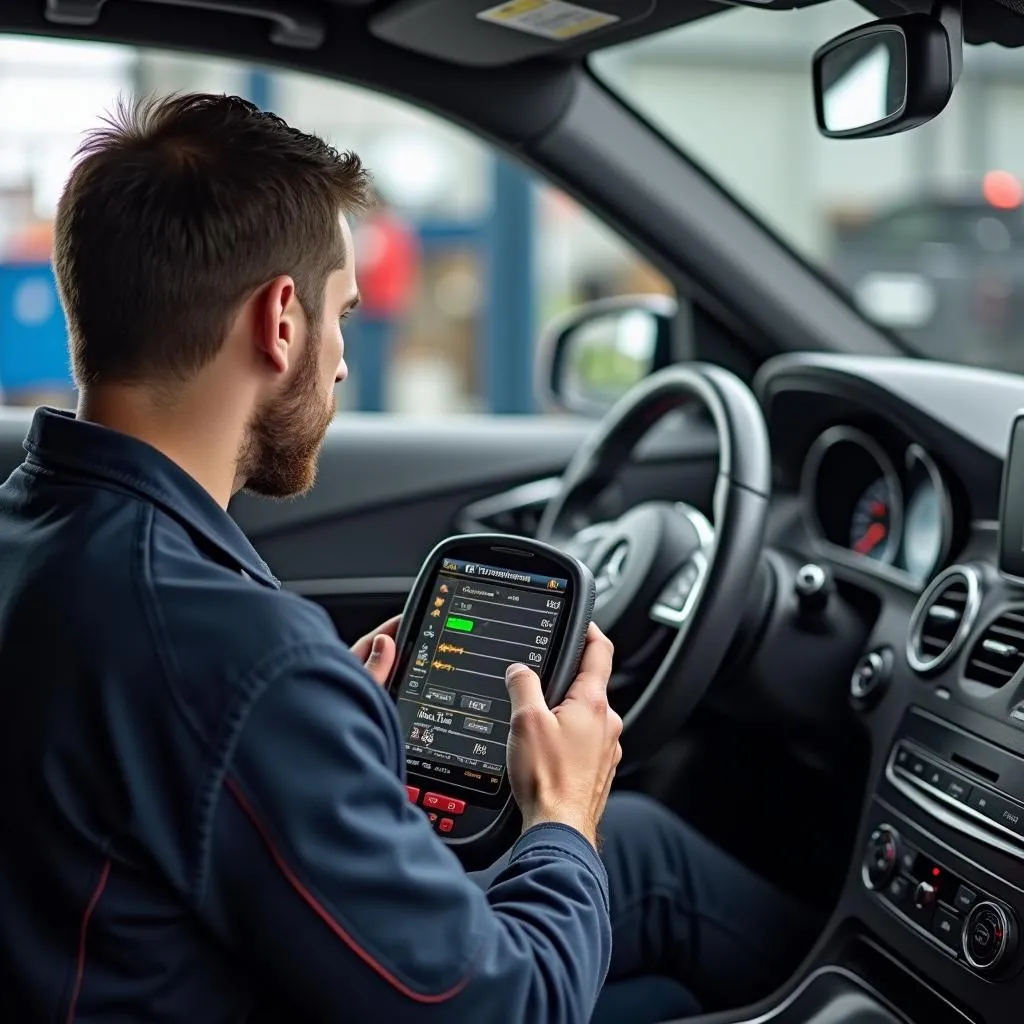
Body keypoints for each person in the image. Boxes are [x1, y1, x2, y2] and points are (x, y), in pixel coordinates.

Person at [0, 94, 816, 1023]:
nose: (343, 357)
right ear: (280, 320)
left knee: (648, 860)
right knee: (646, 919)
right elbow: (516, 1009)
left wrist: (317, 742)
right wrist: (562, 809)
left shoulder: (35, 534)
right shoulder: (239, 664)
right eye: (342, 312)